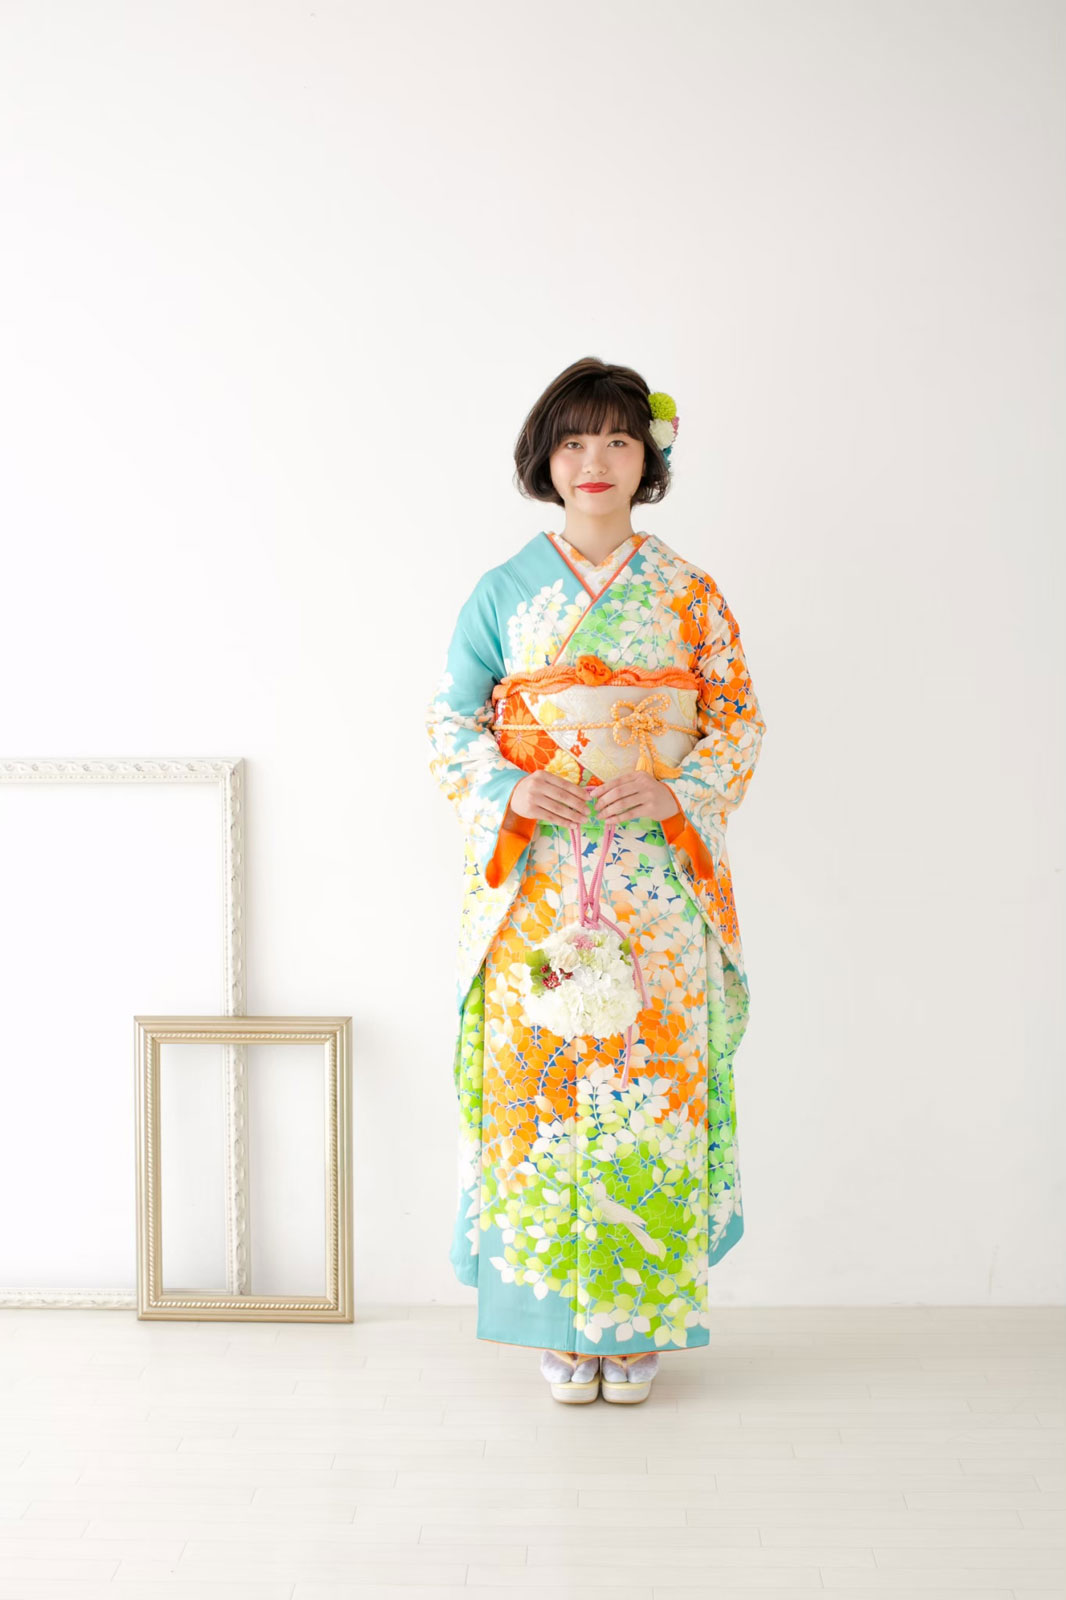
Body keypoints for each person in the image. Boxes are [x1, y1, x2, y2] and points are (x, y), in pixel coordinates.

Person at [426, 356, 765, 1405]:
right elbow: (449, 720)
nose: (595, 461)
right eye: (573, 441)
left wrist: (676, 792)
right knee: (541, 1084)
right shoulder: (503, 591)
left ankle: (633, 1324)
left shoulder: (689, 593)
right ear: (546, 459)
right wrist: (507, 787)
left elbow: (736, 720)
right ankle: (556, 1324)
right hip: (538, 874)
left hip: (653, 879)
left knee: (645, 1088)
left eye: (618, 439)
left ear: (647, 455)